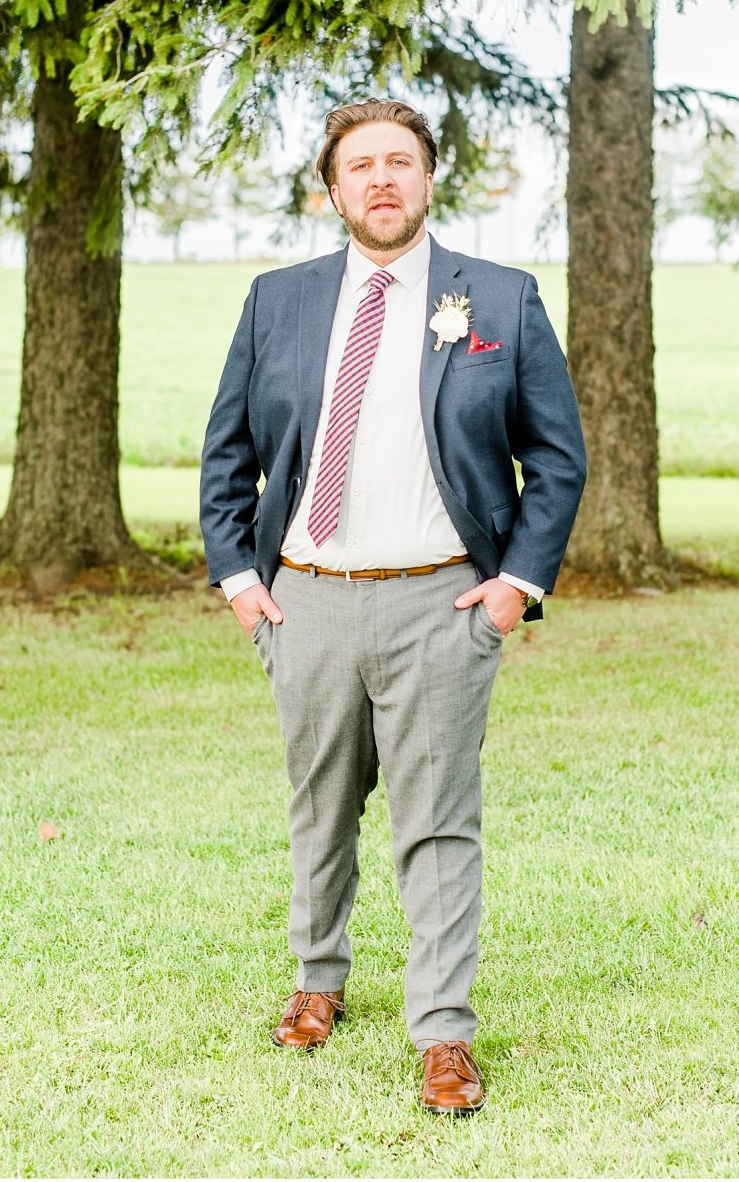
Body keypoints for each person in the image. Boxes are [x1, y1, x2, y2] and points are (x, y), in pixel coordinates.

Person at [199, 97, 585, 1115]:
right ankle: (318, 981)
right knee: (320, 810)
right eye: (360, 164)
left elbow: (556, 456)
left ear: (428, 180)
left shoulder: (496, 298)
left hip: (442, 606)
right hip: (307, 604)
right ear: (332, 189)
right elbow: (227, 453)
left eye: (400, 162)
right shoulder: (276, 301)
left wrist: (514, 588)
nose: (381, 179)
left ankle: (445, 1035)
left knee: (437, 821)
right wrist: (244, 584)